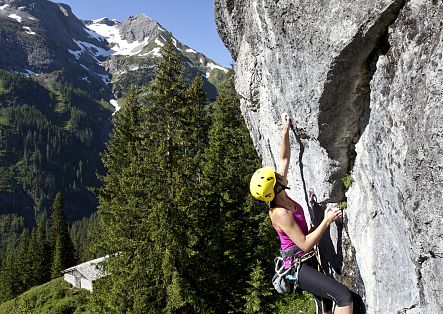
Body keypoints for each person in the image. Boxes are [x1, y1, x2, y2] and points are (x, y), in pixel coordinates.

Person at [249, 113, 353, 314]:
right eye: (277, 178)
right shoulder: (279, 213)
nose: (281, 175)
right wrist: (327, 220)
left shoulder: (279, 195)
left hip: (308, 260)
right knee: (343, 298)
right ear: (276, 188)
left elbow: (284, 157)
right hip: (299, 268)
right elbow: (305, 243)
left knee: (325, 307)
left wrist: (285, 130)